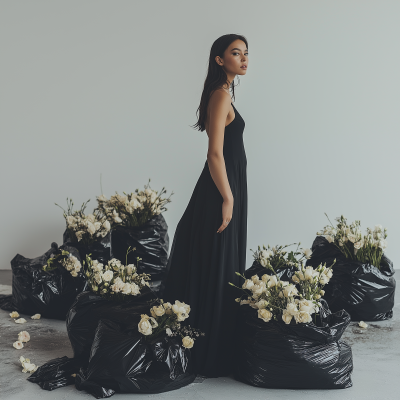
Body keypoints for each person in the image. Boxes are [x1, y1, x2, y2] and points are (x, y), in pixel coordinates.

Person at [161, 34, 248, 378]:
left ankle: (213, 345)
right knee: (218, 265)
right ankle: (208, 352)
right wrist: (228, 198)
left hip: (228, 186)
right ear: (218, 59)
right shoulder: (221, 94)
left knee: (222, 264)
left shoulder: (225, 93)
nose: (243, 59)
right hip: (219, 191)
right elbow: (214, 153)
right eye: (235, 53)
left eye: (246, 53)